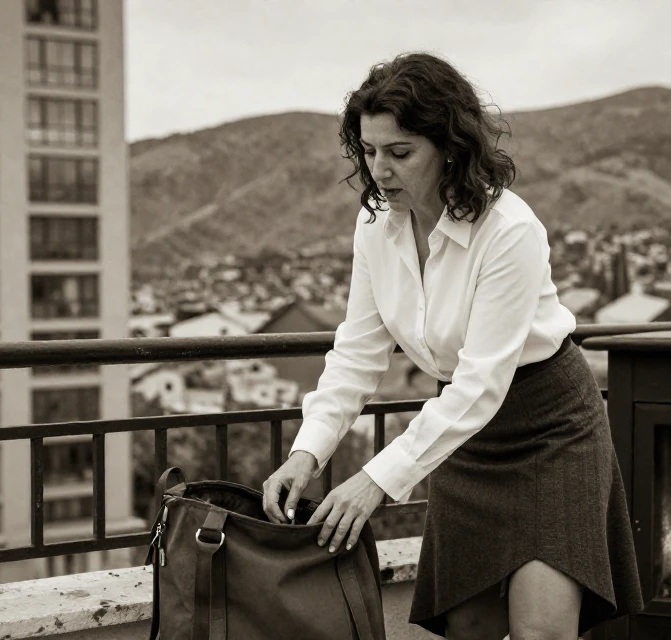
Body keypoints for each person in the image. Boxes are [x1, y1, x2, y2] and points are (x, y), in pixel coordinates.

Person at [261, 52, 643, 640]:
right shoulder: (374, 230)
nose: (380, 171)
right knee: (470, 628)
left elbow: (480, 384)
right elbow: (358, 354)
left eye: (400, 152)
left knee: (541, 632)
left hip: (550, 429)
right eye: (369, 151)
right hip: (462, 438)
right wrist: (306, 454)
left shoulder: (510, 231)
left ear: (448, 147)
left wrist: (375, 480)